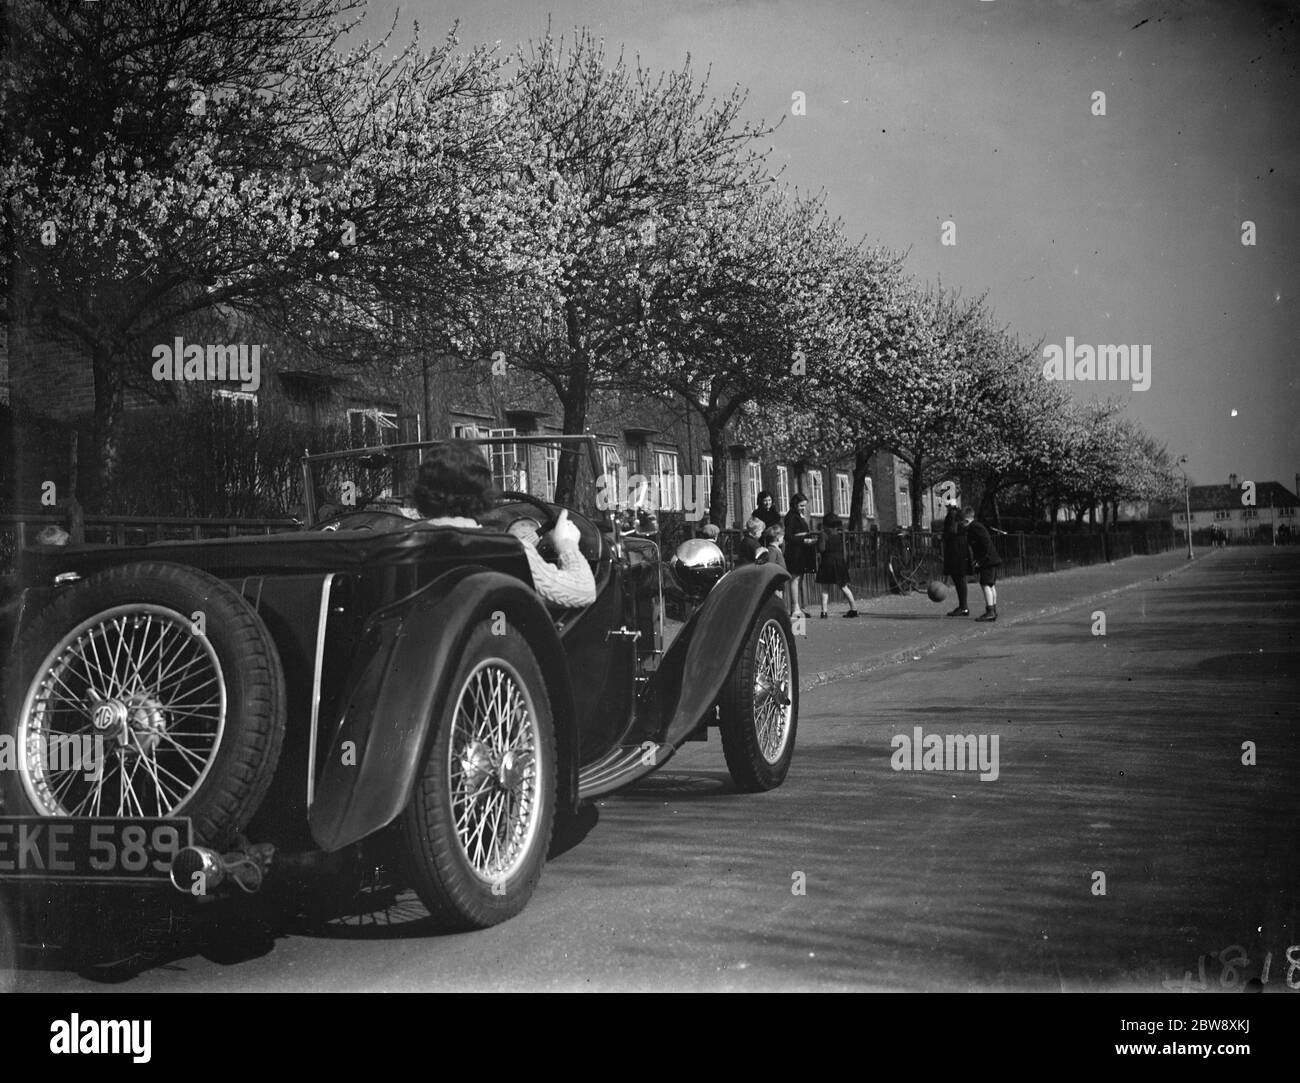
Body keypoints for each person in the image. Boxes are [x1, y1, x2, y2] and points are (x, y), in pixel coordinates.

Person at [412, 440, 596, 609]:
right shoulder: (507, 547)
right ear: (483, 491)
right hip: (496, 638)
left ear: (422, 491)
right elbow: (583, 591)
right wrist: (566, 544)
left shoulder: (398, 542)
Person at [815, 511, 859, 617]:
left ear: (825, 524)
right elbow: (843, 550)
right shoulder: (838, 535)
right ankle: (853, 609)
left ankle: (824, 611)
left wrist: (816, 543)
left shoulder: (823, 534)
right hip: (839, 562)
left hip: (827, 562)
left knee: (825, 588)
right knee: (844, 587)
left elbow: (822, 549)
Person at [962, 505, 1002, 622]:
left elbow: (985, 545)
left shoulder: (974, 528)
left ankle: (990, 611)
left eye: (963, 522)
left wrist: (981, 561)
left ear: (966, 520)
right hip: (991, 559)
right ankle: (993, 609)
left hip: (987, 560)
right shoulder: (976, 526)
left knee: (985, 585)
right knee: (991, 585)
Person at [783, 493, 817, 616]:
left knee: (799, 578)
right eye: (801, 505)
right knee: (795, 579)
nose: (803, 508)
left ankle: (798, 607)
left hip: (801, 551)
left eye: (804, 506)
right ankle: (795, 608)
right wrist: (804, 540)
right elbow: (788, 536)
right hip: (795, 552)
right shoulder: (792, 516)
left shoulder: (798, 515)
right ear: (795, 504)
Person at [940, 497, 971, 616]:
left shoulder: (951, 515)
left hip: (955, 550)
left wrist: (943, 536)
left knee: (958, 577)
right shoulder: (959, 515)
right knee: (960, 577)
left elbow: (952, 531)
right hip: (961, 548)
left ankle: (963, 606)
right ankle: (963, 606)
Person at [762, 522, 791, 606]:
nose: (783, 539)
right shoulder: (772, 550)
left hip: (780, 579)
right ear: (778, 538)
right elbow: (771, 564)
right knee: (777, 598)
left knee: (780, 597)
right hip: (776, 580)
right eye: (782, 537)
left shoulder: (777, 549)